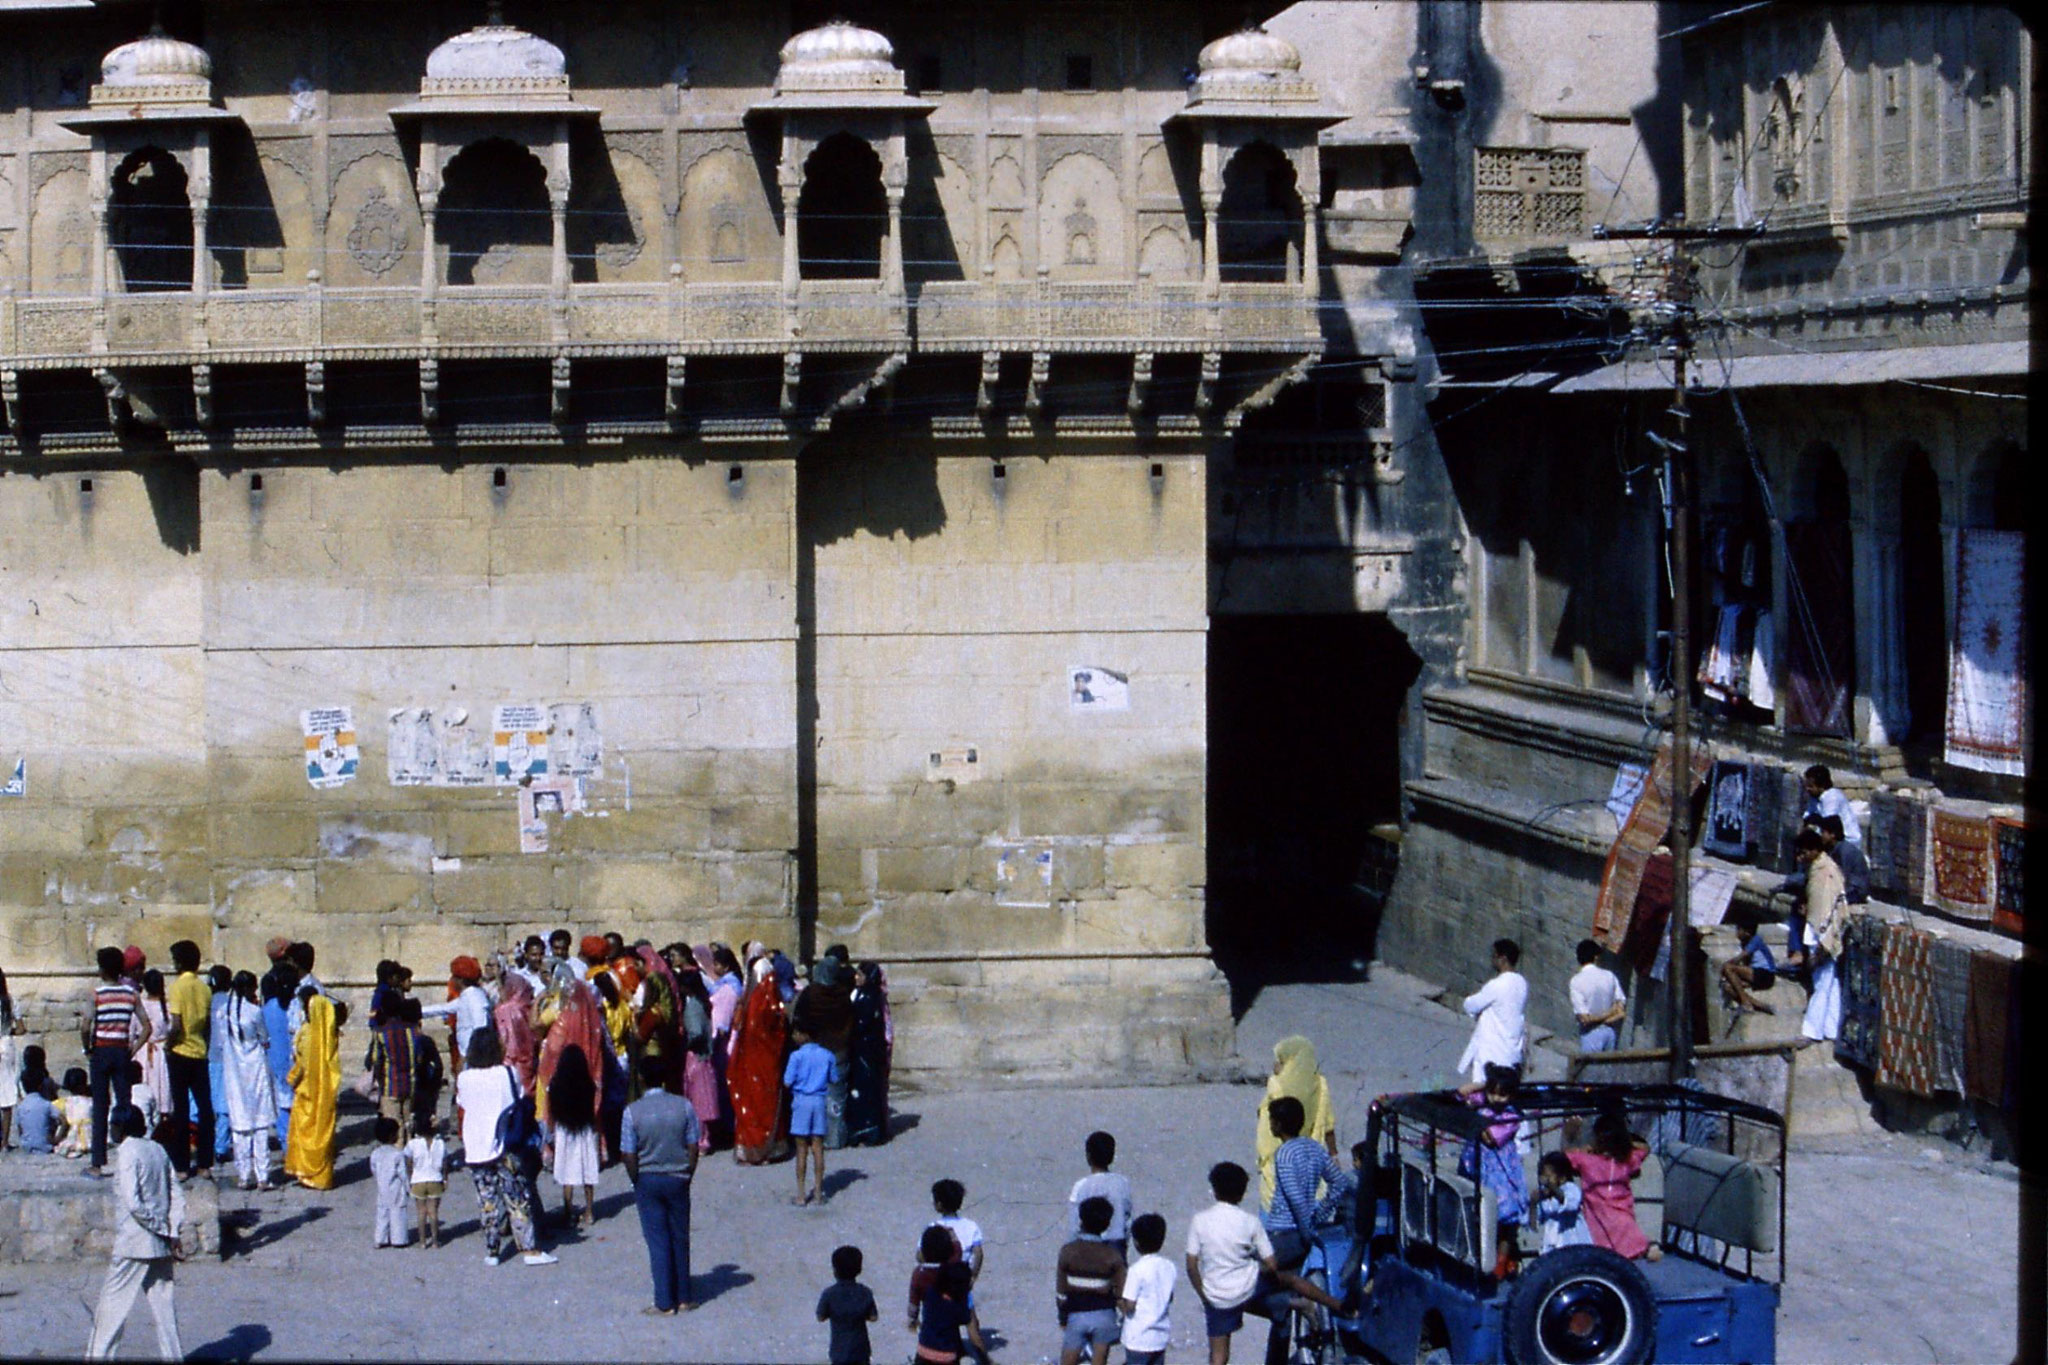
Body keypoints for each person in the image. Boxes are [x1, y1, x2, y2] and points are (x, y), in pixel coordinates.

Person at [1184, 1160, 1341, 1365]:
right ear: (1242, 1193)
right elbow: (1272, 1264)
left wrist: (1204, 1294)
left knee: (1219, 1356)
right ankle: (1335, 1305)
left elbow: (1191, 1265)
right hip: (1247, 1286)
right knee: (1291, 1281)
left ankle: (1288, 1304)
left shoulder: (1200, 1220)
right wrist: (1260, 1269)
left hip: (1216, 1293)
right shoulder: (1250, 1222)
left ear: (1214, 1190)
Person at [86, 1105, 183, 1361]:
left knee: (111, 1311)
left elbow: (133, 1201)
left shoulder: (128, 1150)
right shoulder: (157, 1149)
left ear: (122, 1127)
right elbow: (175, 1194)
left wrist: (161, 1228)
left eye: (113, 1125)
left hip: (134, 1243)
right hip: (160, 1244)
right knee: (165, 1312)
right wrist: (171, 1231)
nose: (111, 1130)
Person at [455, 1029, 557, 1267]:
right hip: (505, 1144)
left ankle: (492, 1251)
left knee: (487, 1201)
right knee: (517, 1199)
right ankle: (529, 1249)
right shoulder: (506, 1073)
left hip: (476, 1146)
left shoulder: (465, 1078)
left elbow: (463, 1103)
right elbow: (519, 1097)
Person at [622, 1052, 701, 1314]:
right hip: (678, 1176)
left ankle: (664, 1302)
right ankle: (684, 1297)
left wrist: (637, 1179)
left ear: (642, 1079)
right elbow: (693, 1145)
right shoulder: (684, 1106)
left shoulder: (632, 1112)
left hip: (648, 1178)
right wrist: (688, 1172)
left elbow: (629, 1153)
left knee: (657, 1240)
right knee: (680, 1236)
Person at [82, 946, 150, 1176]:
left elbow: (85, 1025)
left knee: (100, 1106)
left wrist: (87, 1048)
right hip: (121, 1051)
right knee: (124, 1103)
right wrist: (133, 1048)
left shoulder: (97, 994)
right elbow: (146, 1027)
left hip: (101, 1051)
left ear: (102, 970)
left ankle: (97, 1163)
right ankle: (127, 1156)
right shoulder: (131, 995)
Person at [1456, 1064, 1528, 1278]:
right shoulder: (1483, 1103)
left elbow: (1490, 1138)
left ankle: (1501, 1263)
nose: (1496, 1098)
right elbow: (1460, 1095)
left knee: (1503, 1219)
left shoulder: (1511, 1116)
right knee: (1478, 1216)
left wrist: (1474, 1117)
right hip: (1476, 1166)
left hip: (1500, 1172)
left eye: (1502, 1094)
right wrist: (1482, 1085)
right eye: (1492, 1092)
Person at [1262, 1096, 1343, 1283]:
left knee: (1250, 1281)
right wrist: (1320, 1214)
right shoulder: (1314, 1148)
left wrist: (1307, 1229)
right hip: (1302, 1234)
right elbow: (1339, 1182)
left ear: (1279, 1124)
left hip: (1284, 1232)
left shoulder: (1285, 1153)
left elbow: (1295, 1198)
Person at [1565, 1110, 1660, 1261]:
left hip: (1604, 1216)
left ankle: (1643, 1248)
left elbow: (1565, 1157)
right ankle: (1645, 1248)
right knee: (1625, 1232)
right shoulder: (1627, 1159)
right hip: (1615, 1216)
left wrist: (1571, 1138)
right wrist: (1626, 1142)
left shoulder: (1587, 1160)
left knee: (1613, 1233)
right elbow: (1644, 1148)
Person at [1254, 1037, 1336, 1210]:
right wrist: (1334, 1154)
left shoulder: (1276, 1085)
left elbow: (1265, 1111)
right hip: (1308, 1157)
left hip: (1274, 1155)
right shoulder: (1320, 1084)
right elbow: (1328, 1125)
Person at [217, 971, 277, 1190]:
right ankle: (263, 1176)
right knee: (260, 1123)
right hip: (255, 1069)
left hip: (233, 1071)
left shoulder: (223, 1013)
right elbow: (264, 1038)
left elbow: (222, 1042)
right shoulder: (254, 1012)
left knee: (240, 1123)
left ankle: (244, 1175)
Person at [728, 956, 790, 1165]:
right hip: (763, 1061)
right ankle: (769, 1148)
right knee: (763, 1101)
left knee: (756, 1102)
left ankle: (756, 1148)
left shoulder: (756, 1000)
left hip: (754, 1060)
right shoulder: (768, 1000)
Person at [161, 940, 214, 1180]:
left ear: (179, 962)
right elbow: (207, 1026)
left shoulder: (176, 988)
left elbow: (176, 1025)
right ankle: (205, 1163)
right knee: (205, 1108)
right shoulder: (204, 988)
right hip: (200, 1052)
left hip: (181, 1052)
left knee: (180, 1110)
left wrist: (168, 1045)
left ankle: (182, 1166)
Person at [793, 953, 856, 1150]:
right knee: (836, 1097)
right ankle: (835, 1138)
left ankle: (815, 1137)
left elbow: (800, 1019)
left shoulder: (811, 994)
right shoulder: (843, 995)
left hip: (816, 1051)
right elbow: (850, 1021)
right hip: (839, 1050)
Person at [1792, 828, 1848, 1042]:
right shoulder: (1816, 870)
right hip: (1815, 928)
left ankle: (1811, 1031)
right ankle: (1831, 1029)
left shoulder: (1827, 872)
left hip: (1825, 934)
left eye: (1804, 852)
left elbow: (1832, 909)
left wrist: (1826, 943)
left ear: (1815, 850)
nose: (1801, 857)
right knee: (1830, 982)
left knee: (1822, 982)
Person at [1056, 1196, 1127, 1365]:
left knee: (1068, 1360)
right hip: (1104, 1316)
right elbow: (1121, 1293)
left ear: (1081, 1220)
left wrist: (1063, 1318)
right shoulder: (1112, 1255)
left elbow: (1061, 1293)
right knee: (1099, 1360)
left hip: (1076, 1315)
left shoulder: (1068, 1251)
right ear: (1107, 1224)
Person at [283, 987, 340, 1190]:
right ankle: (322, 1176)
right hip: (324, 1091)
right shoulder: (329, 1036)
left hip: (306, 1091)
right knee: (323, 1131)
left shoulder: (307, 1034)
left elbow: (302, 1065)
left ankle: (307, 1172)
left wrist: (290, 1079)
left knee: (305, 1131)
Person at [1458, 939, 1528, 1084]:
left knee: (1485, 1087)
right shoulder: (1522, 983)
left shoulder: (1497, 985)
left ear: (1502, 959)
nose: (1492, 960)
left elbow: (1472, 1005)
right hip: (1512, 1047)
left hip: (1493, 1048)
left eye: (1494, 956)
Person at [548, 1044, 601, 1229]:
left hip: (564, 1130)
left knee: (566, 1172)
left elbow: (551, 1112)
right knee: (587, 1170)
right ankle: (589, 1211)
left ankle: (568, 1211)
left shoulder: (555, 1085)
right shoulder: (588, 1085)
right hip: (584, 1129)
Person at [786, 1028, 840, 1205]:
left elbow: (787, 1081)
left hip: (801, 1101)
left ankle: (801, 1194)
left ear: (804, 1035)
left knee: (801, 1149)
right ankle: (818, 1191)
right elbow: (834, 1078)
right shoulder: (828, 1055)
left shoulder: (796, 1056)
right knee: (818, 1147)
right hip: (818, 1101)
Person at [674, 961, 722, 1153]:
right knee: (703, 1098)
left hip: (696, 1056)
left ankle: (701, 1141)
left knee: (697, 1100)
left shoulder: (692, 1007)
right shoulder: (702, 1002)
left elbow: (695, 1033)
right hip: (705, 1056)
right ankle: (704, 1138)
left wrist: (685, 1045)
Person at [419, 956, 492, 1081]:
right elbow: (443, 1008)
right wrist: (410, 1010)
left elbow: (480, 1030)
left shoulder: (475, 998)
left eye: (453, 977)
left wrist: (464, 1057)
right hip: (469, 1059)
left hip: (475, 1059)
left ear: (460, 980)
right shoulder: (466, 996)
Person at [845, 960, 893, 1146]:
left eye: (861, 975)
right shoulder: (859, 994)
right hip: (859, 1051)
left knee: (869, 1091)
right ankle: (859, 1131)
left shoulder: (873, 998)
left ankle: (872, 1132)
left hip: (869, 1052)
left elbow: (865, 1024)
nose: (857, 978)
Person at [1118, 1212, 1175, 1365]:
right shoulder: (1169, 1267)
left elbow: (1129, 1305)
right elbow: (1169, 1297)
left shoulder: (1136, 1270)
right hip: (1159, 1336)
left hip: (1138, 1338)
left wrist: (1118, 1300)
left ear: (1136, 1243)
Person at [1068, 1130, 1133, 1257]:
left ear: (1088, 1156)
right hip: (1116, 1244)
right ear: (1112, 1155)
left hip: (1087, 1246)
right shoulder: (1122, 1183)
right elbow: (1128, 1219)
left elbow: (1074, 1226)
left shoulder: (1081, 1186)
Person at [818, 1243, 880, 1365]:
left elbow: (821, 1317)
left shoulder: (829, 1294)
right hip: (860, 1349)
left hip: (839, 1350)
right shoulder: (865, 1292)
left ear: (835, 1270)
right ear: (859, 1269)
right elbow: (873, 1317)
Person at [919, 1261, 988, 1365]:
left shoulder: (930, 1293)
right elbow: (968, 1323)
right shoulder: (956, 1306)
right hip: (946, 1355)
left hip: (924, 1349)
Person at [1568, 939, 1627, 1053]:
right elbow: (1620, 1009)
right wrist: (1610, 1014)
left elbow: (1585, 1019)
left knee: (1590, 1069)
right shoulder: (1609, 976)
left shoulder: (1576, 981)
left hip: (1590, 1034)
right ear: (1595, 957)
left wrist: (1597, 1018)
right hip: (1610, 1032)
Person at [135, 970, 172, 1149]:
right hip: (161, 1052)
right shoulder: (167, 1006)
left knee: (150, 1087)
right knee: (162, 1088)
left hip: (145, 1051)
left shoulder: (140, 1005)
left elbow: (134, 1029)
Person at [204, 964, 235, 1167]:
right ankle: (221, 1145)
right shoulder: (233, 1002)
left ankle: (213, 1143)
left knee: (212, 1102)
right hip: (229, 1058)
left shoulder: (208, 1002)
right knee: (225, 1103)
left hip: (212, 1057)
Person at [1534, 1151, 1592, 1253]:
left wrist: (1552, 1187)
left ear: (1562, 1177)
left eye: (1548, 1177)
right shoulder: (1546, 1199)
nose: (1545, 1181)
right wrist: (1532, 1203)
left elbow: (1569, 1203)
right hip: (1553, 1248)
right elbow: (1535, 1222)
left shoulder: (1571, 1189)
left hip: (1573, 1245)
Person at [495, 969, 541, 1095]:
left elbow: (505, 1037)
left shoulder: (505, 1010)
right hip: (529, 1057)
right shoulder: (527, 1006)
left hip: (511, 1060)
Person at [406, 1112, 448, 1249]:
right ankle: (435, 1241)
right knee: (433, 1211)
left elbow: (409, 1162)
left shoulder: (413, 1144)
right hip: (435, 1179)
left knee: (421, 1212)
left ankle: (422, 1241)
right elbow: (445, 1163)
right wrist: (445, 1178)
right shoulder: (440, 1143)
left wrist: (410, 1176)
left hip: (418, 1180)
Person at [930, 1178, 985, 1282]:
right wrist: (973, 1276)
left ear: (939, 1205)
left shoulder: (933, 1227)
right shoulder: (971, 1226)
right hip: (961, 1275)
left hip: (939, 1276)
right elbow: (978, 1253)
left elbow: (920, 1254)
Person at [370, 1115, 412, 1248]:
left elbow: (374, 1169)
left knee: (382, 1212)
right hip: (395, 1188)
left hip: (382, 1187)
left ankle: (380, 1238)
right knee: (397, 1212)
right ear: (391, 1136)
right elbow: (403, 1174)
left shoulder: (375, 1153)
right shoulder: (398, 1154)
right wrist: (408, 1188)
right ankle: (398, 1239)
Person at [1720, 926, 1778, 1015]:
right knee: (1728, 987)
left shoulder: (1755, 940)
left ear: (1747, 932)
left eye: (1739, 929)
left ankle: (1745, 1003)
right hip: (1755, 974)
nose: (1737, 932)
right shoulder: (1745, 942)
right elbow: (1745, 964)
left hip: (1765, 974)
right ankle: (1761, 1006)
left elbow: (1738, 959)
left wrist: (1724, 967)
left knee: (1728, 967)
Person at [1801, 764, 1861, 844]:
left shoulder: (1832, 797)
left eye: (1811, 786)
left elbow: (1828, 824)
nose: (1807, 789)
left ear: (1821, 786)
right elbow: (1808, 817)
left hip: (1846, 840)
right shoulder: (1814, 797)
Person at [0, 965, 22, 1152]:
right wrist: (9, 1030)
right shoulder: (10, 1001)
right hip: (6, 1044)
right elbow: (22, 1028)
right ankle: (5, 1142)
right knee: (6, 1094)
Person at [15, 1076, 59, 1152]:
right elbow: (64, 1121)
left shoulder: (21, 1106)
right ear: (40, 1086)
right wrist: (57, 1139)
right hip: (45, 1146)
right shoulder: (46, 1104)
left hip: (26, 1146)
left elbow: (20, 1129)